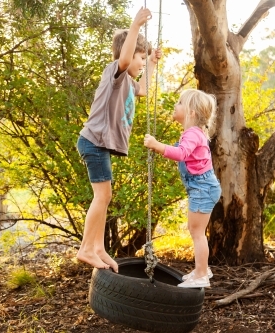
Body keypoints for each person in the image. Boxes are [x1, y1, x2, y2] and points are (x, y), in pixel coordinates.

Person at [76, 7, 162, 273]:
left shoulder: (130, 83)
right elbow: (125, 60)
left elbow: (144, 90)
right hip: (94, 141)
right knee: (102, 195)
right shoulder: (116, 73)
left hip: (98, 144)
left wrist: (151, 63)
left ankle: (98, 247)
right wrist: (135, 25)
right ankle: (86, 249)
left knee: (105, 195)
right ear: (127, 54)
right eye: (140, 57)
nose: (139, 63)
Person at [143, 89, 221, 288]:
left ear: (191, 113)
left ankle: (202, 274)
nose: (175, 105)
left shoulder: (193, 134)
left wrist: (156, 145)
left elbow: (181, 154)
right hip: (202, 187)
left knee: (197, 232)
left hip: (202, 188)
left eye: (179, 102)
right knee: (195, 230)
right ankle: (201, 268)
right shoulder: (193, 133)